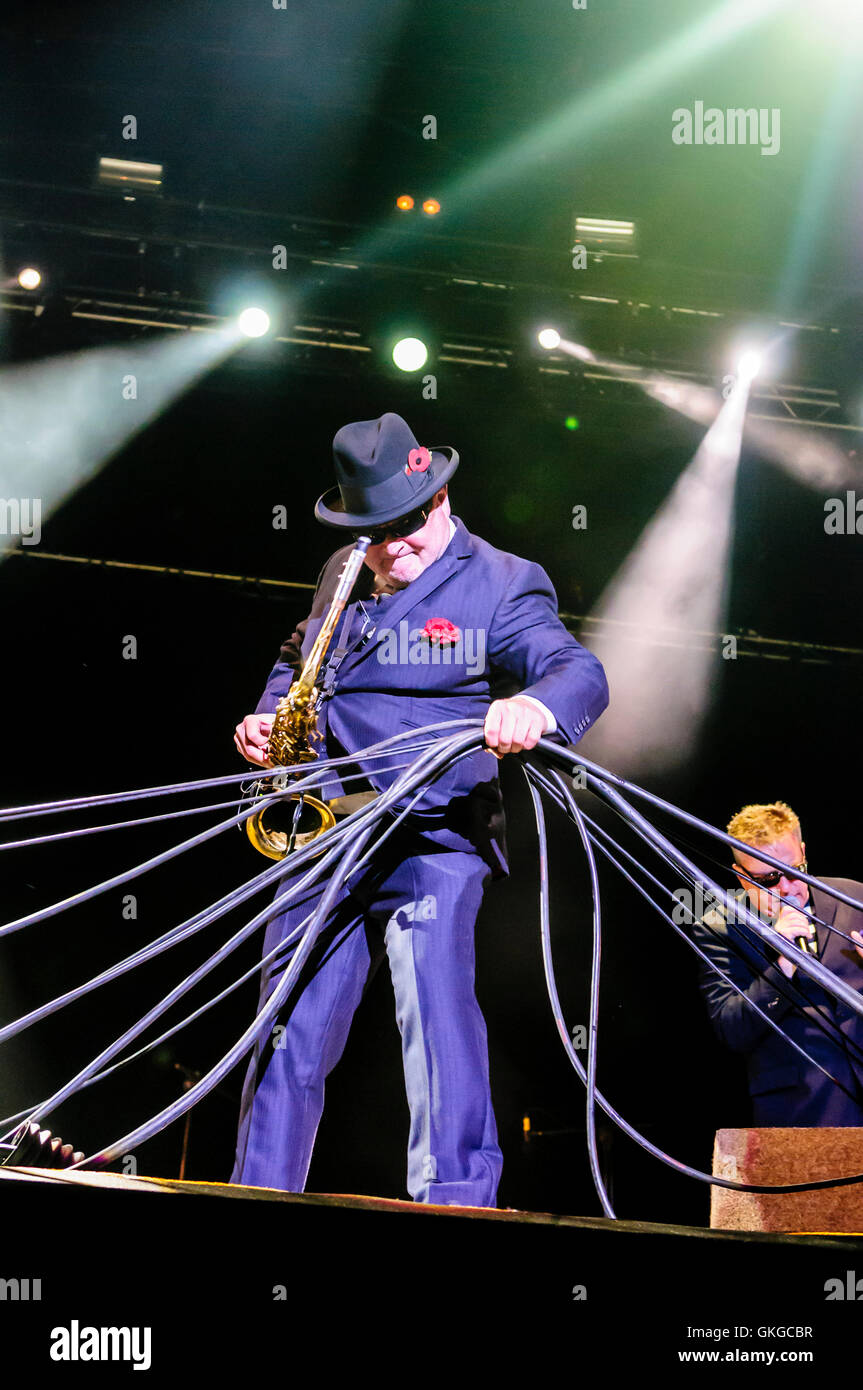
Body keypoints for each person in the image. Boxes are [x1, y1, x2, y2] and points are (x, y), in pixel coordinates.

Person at [230, 411, 609, 1205]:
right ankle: (254, 1200)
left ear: (439, 499)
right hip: (324, 831)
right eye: (372, 534)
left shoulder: (502, 581)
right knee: (282, 1030)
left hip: (432, 834)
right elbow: (296, 658)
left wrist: (533, 708)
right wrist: (269, 713)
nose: (389, 549)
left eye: (404, 528)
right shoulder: (342, 569)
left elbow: (575, 668)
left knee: (434, 1018)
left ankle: (456, 1202)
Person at [692, 800, 863, 1125]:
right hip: (802, 1111)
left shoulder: (854, 897)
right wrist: (783, 963)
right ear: (741, 876)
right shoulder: (721, 925)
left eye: (794, 872)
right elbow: (733, 1029)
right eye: (769, 879)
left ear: (802, 850)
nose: (786, 889)